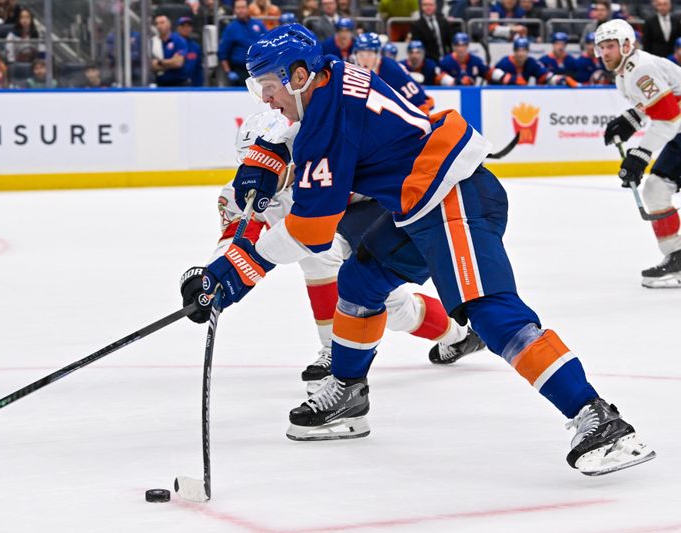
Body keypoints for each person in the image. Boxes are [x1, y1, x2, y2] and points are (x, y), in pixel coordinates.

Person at [202, 23, 655, 475]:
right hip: (421, 202)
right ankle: (348, 391)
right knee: (361, 280)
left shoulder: (326, 124)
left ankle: (596, 416)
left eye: (267, 86)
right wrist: (266, 155)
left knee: (492, 313)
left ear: (298, 76)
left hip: (452, 197)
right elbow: (291, 129)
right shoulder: (333, 74)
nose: (264, 99)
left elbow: (311, 231)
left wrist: (236, 271)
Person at [181, 110, 485, 389]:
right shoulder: (239, 193)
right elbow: (237, 239)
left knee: (319, 251)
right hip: (329, 232)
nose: (256, 177)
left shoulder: (324, 168)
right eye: (247, 166)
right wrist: (210, 278)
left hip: (370, 218)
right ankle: (460, 336)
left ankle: (332, 351)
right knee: (395, 309)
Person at [598, 19, 681, 287]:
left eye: (610, 46)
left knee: (656, 189)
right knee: (655, 190)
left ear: (626, 45)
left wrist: (640, 154)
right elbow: (655, 107)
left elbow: (669, 117)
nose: (605, 52)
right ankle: (677, 258)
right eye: (601, 47)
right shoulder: (624, 72)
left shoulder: (640, 68)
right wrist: (629, 120)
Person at [353, 32, 433, 113]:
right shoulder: (354, 68)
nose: (365, 60)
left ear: (378, 54)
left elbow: (419, 102)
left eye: (369, 54)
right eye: (361, 55)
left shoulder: (391, 70)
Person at [219, 0, 267, 85]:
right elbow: (222, 53)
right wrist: (228, 72)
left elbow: (268, 44)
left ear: (248, 9)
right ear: (234, 10)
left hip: (259, 70)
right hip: (239, 72)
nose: (241, 10)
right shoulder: (231, 28)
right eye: (238, 8)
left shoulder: (258, 25)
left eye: (243, 7)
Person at [491, 37, 568, 85]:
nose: (521, 54)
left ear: (527, 51)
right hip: (504, 95)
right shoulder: (505, 62)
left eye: (524, 50)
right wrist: (511, 79)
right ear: (514, 51)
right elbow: (491, 74)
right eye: (518, 50)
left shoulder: (531, 62)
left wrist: (559, 79)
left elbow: (544, 75)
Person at [154, 14, 189, 87]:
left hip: (179, 84)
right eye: (157, 23)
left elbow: (178, 63)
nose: (159, 26)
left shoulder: (178, 40)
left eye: (162, 23)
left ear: (169, 24)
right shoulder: (153, 42)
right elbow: (152, 66)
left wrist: (160, 62)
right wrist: (170, 63)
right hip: (160, 84)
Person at [177, 16, 203, 86]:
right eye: (183, 26)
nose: (186, 29)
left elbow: (198, 69)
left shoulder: (195, 47)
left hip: (192, 85)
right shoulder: (172, 44)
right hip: (175, 84)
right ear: (178, 28)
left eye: (188, 26)